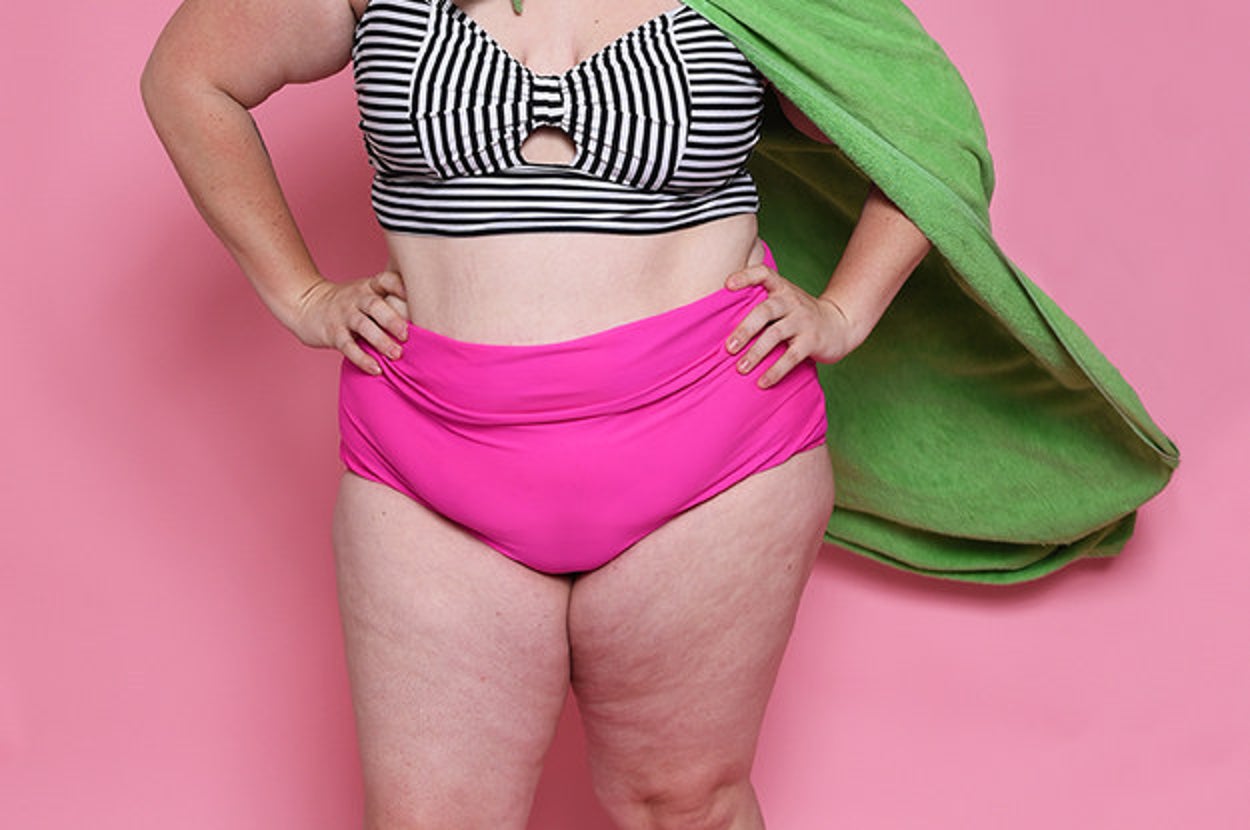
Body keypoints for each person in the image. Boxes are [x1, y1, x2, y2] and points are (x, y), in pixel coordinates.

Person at [142, 0, 1176, 827]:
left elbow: (928, 131)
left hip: (711, 451)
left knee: (684, 805)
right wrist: (299, 292)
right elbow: (189, 76)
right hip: (426, 452)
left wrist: (845, 309)